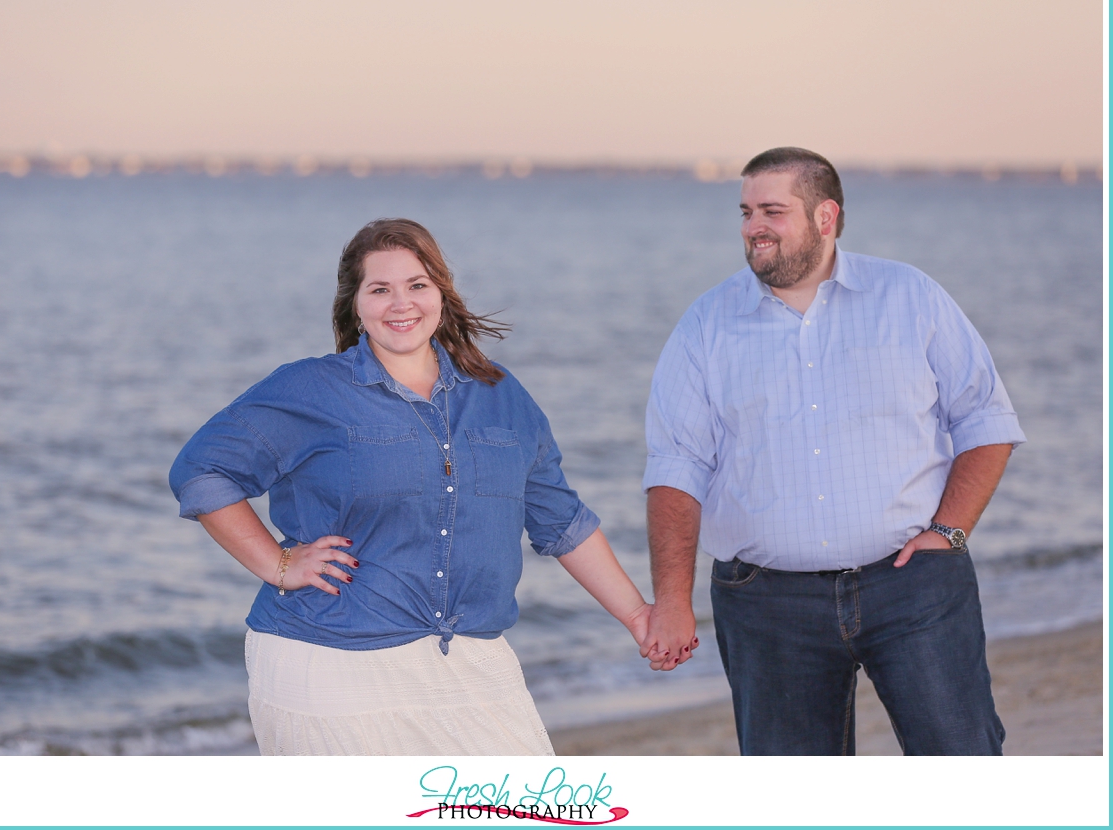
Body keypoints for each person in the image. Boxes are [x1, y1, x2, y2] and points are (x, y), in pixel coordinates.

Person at [170, 218, 650, 756]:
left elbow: (560, 521)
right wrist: (278, 564)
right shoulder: (310, 388)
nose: (401, 304)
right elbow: (202, 470)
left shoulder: (501, 394)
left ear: (442, 293)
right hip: (330, 664)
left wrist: (638, 615)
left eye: (417, 285)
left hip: (472, 664)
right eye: (380, 289)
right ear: (355, 305)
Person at [639, 146, 1024, 756]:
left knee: (963, 765)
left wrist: (948, 532)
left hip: (913, 588)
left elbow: (985, 418)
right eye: (745, 212)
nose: (753, 228)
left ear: (826, 217)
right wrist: (671, 602)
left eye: (772, 211)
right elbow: (675, 468)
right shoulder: (706, 324)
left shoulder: (910, 297)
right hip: (765, 606)